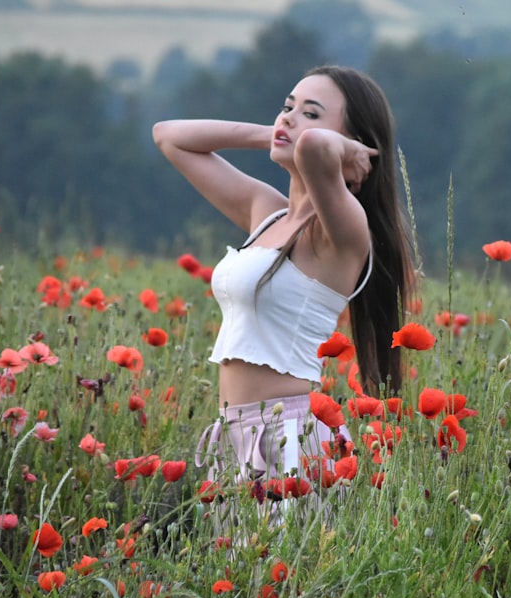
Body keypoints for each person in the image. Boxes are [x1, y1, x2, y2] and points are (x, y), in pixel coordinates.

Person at [152, 65, 414, 524]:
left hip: (292, 442)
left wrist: (337, 147)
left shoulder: (342, 232)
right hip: (236, 438)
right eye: (287, 107)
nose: (290, 119)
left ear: (351, 144)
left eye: (311, 112)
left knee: (283, 589)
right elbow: (169, 136)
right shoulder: (268, 213)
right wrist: (276, 133)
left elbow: (314, 149)